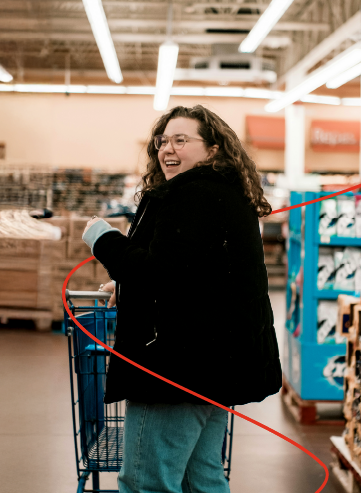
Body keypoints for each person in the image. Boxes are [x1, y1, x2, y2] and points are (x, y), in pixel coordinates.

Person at [81, 104, 282, 493]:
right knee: (200, 478)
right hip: (214, 362)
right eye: (162, 140)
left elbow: (159, 275)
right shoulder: (223, 193)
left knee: (145, 482)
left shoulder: (192, 196)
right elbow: (195, 274)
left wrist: (102, 239)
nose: (167, 149)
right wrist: (123, 287)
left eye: (181, 140)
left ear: (212, 150)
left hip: (176, 365)